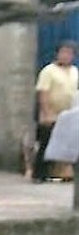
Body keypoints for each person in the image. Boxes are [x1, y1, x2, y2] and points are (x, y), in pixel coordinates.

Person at [33, 42, 78, 182]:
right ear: (57, 54)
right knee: (46, 143)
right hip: (50, 113)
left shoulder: (74, 71)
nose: (66, 56)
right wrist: (46, 113)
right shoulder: (49, 71)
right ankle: (39, 174)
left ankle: (63, 173)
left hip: (68, 115)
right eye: (63, 52)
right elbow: (43, 92)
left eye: (69, 53)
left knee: (66, 145)